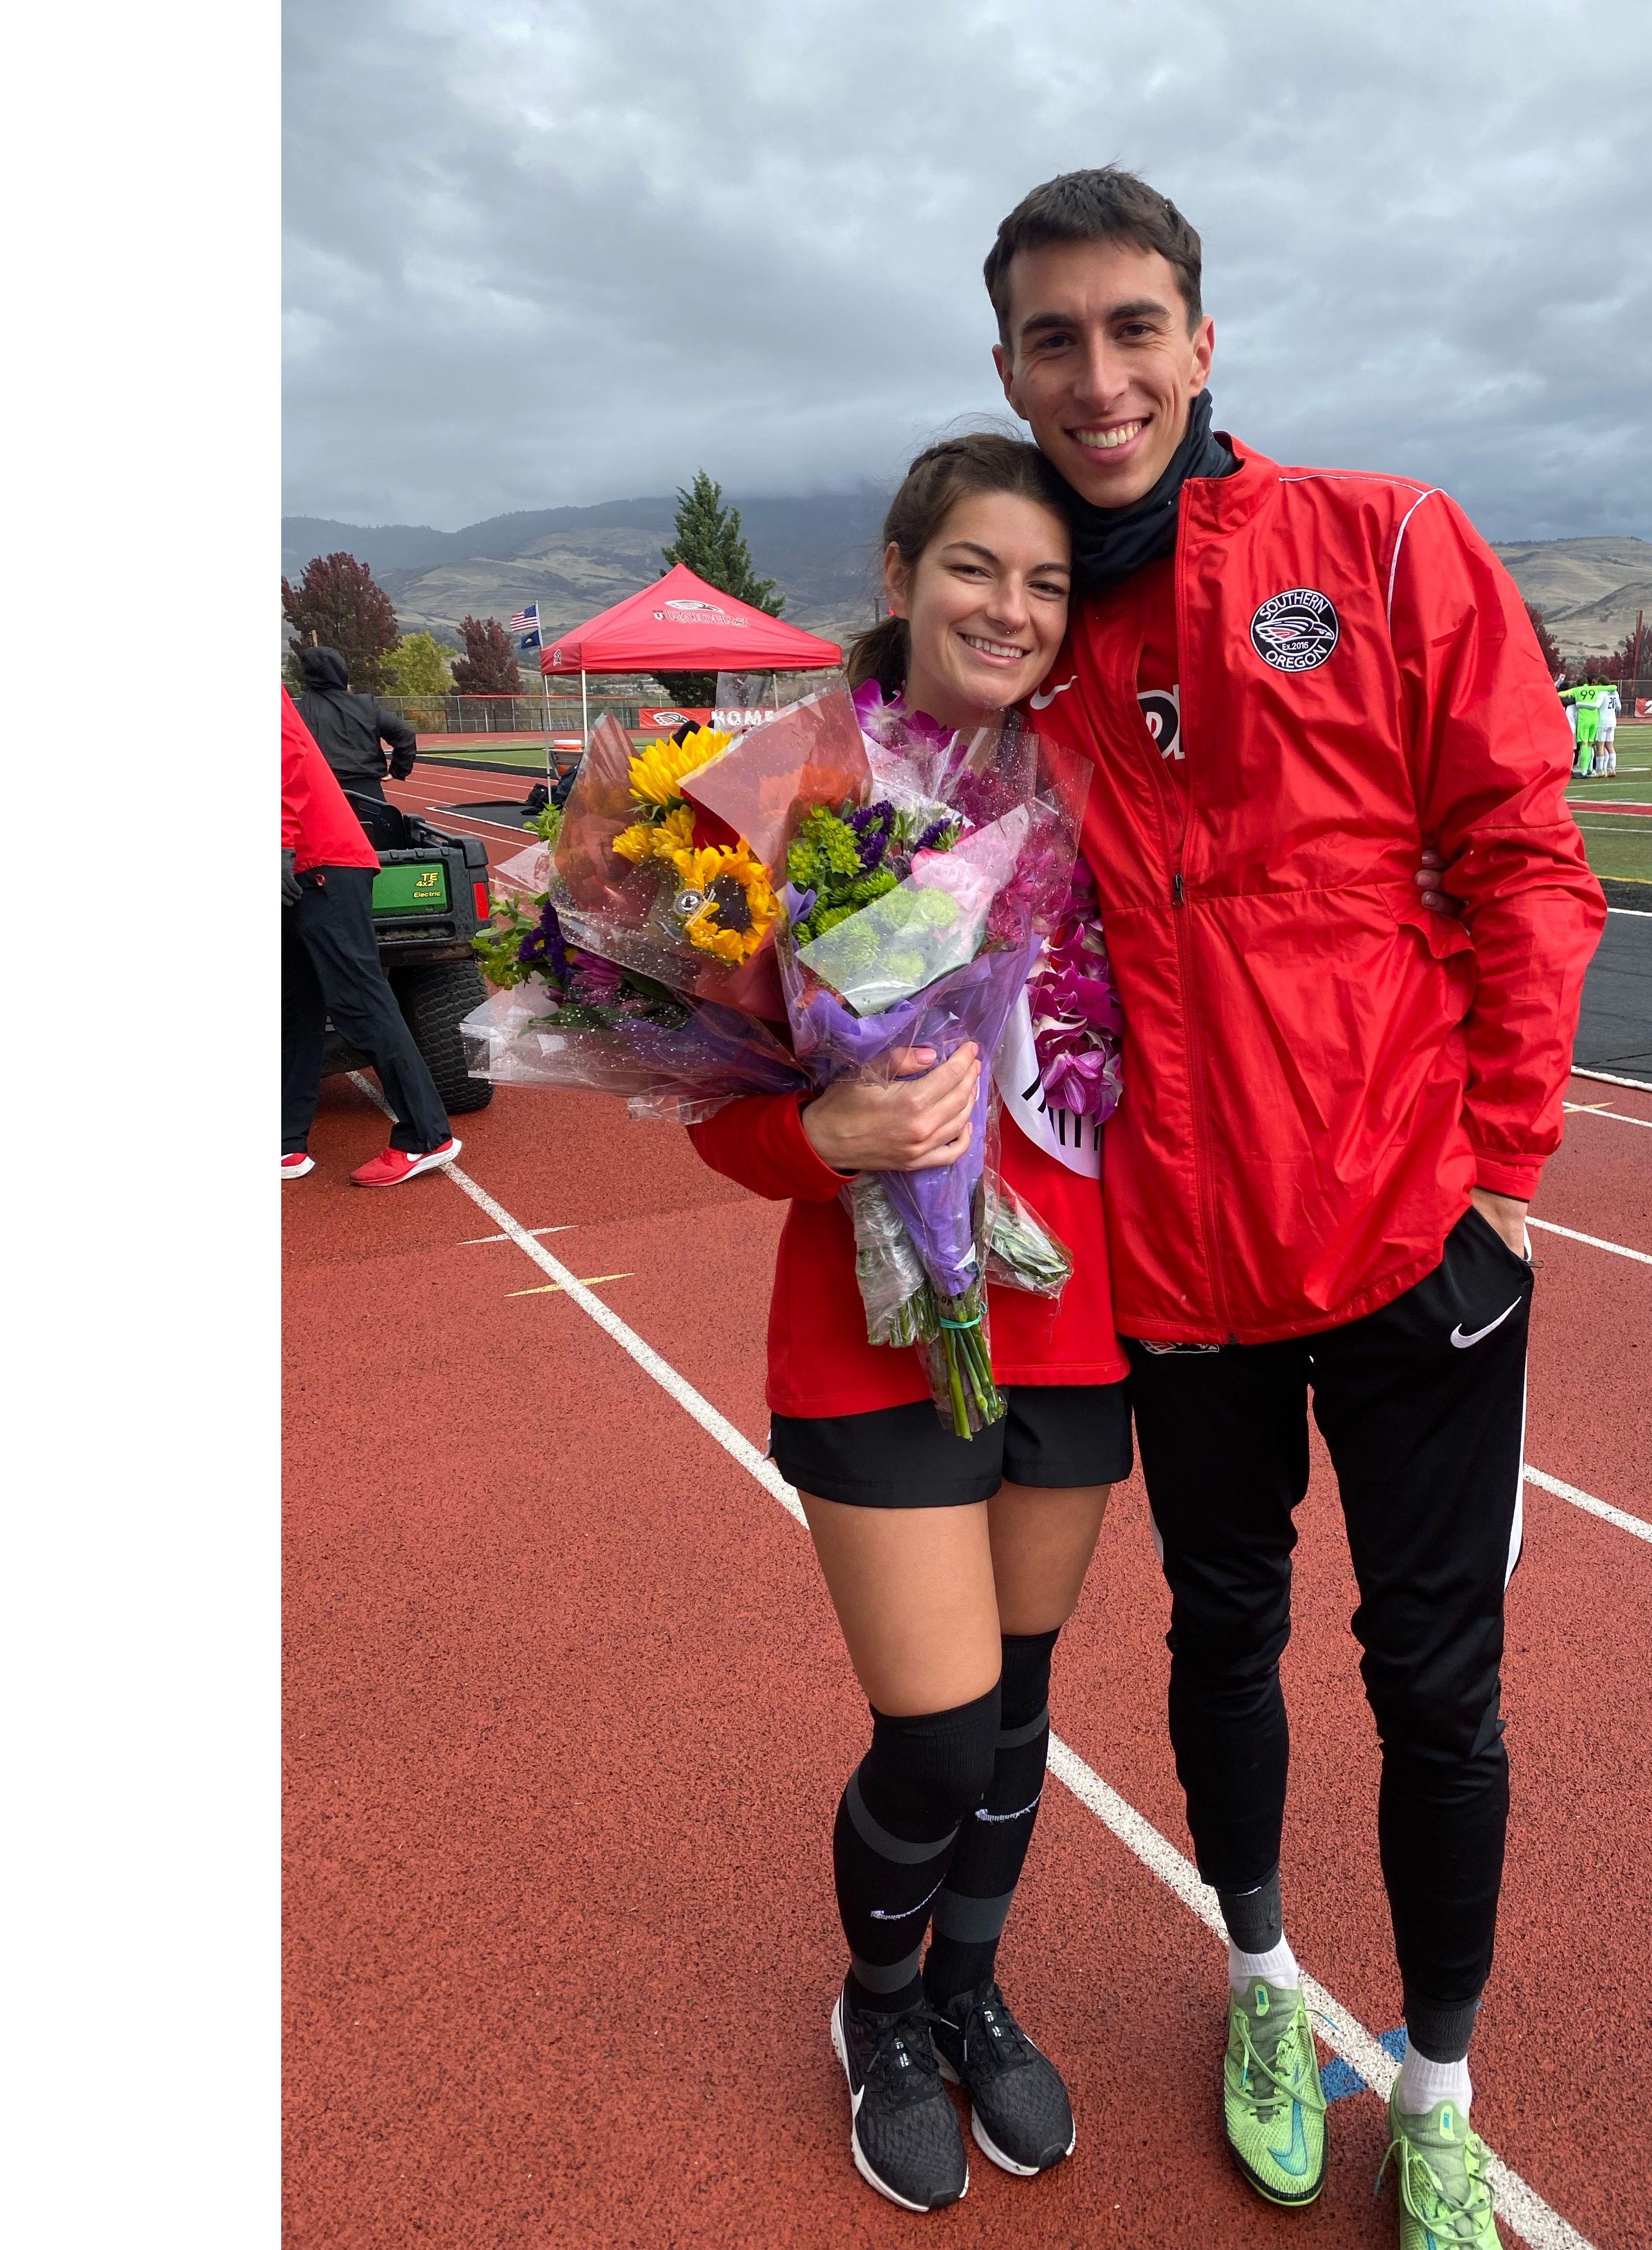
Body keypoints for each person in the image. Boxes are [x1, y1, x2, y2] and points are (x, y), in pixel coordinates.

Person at [982, 169, 1605, 2248]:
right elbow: (890, 855)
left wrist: (1500, 1174)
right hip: (1174, 1268)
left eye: (1132, 326)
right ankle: (1260, 1987)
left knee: (1438, 1685)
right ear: (1007, 367)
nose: (1100, 376)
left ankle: (1433, 2079)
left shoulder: (1384, 540)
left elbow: (1523, 855)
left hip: (1414, 1241)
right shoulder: (1026, 626)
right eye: (1054, 339)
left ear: (1201, 341)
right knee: (1220, 1636)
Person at [683, 436, 1127, 2215]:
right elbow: (704, 1096)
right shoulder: (785, 788)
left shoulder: (1098, 780)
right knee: (935, 1729)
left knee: (1019, 1703)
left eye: (1043, 583)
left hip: (1079, 1316)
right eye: (973, 570)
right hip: (873, 1325)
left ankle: (971, 1984)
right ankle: (878, 2004)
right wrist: (828, 1133)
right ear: (897, 573)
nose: (1009, 610)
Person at [281, 687, 462, 1184]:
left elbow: (284, 756)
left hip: (320, 862)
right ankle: (285, 1142)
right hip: (307, 859)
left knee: (359, 999)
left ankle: (427, 1137)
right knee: (295, 1005)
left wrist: (280, 845)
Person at [295, 642, 419, 812]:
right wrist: (397, 771)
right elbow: (405, 735)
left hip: (319, 793)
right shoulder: (366, 704)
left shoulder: (298, 710)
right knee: (375, 837)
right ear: (341, 671)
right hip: (368, 795)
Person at [1569, 680, 1601, 778]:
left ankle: (1584, 771)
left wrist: (1580, 704)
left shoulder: (1577, 693)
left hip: (1584, 722)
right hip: (1596, 720)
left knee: (1583, 746)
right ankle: (1591, 769)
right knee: (1591, 746)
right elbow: (1613, 687)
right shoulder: (1599, 691)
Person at [1593, 678, 1621, 776]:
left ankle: (1601, 771)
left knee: (1600, 747)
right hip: (1612, 721)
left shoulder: (1602, 693)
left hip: (1602, 722)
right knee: (1610, 746)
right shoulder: (1615, 693)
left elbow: (1597, 705)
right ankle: (1612, 769)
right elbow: (1619, 707)